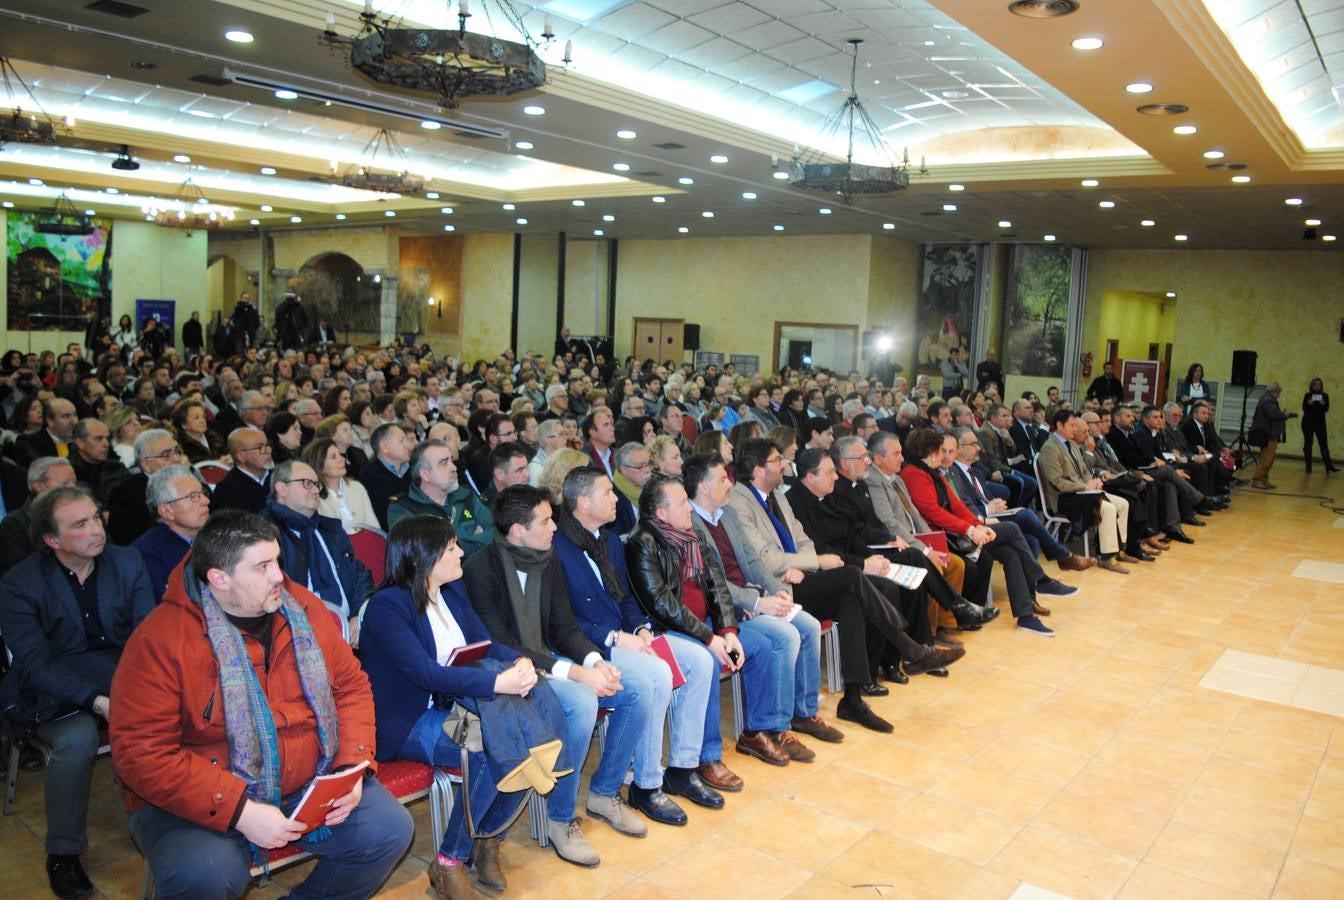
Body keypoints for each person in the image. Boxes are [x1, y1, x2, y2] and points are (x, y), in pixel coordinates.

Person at [110, 510, 413, 900]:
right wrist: (239, 810)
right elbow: (142, 754)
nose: (278, 577)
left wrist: (352, 767)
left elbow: (351, 687)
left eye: (277, 561)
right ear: (219, 578)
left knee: (388, 830)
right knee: (208, 875)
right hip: (199, 794)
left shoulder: (301, 607)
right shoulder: (161, 640)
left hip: (305, 776)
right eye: (263, 567)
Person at [360, 516, 577, 897]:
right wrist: (497, 682)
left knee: (519, 741)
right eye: (451, 548)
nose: (461, 552)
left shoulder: (451, 591)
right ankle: (448, 862)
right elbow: (426, 673)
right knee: (488, 747)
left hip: (463, 703)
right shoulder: (386, 607)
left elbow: (486, 643)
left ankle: (488, 840)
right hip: (411, 718)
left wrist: (518, 662)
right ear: (423, 558)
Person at [463, 485, 660, 862]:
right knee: (582, 702)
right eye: (546, 520)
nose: (555, 527)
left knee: (636, 687)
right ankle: (561, 818)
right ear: (518, 530)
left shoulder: (547, 559)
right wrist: (572, 673)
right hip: (511, 674)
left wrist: (594, 663)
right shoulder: (479, 570)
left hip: (548, 660)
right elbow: (500, 644)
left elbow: (565, 628)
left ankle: (604, 793)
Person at [725, 438, 959, 733]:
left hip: (802, 574)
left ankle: (852, 697)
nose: (784, 464)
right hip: (777, 588)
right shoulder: (739, 502)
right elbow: (762, 558)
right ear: (759, 470)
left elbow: (802, 537)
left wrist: (806, 561)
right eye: (776, 461)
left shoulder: (776, 496)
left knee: (851, 600)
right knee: (850, 576)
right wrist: (814, 561)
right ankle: (909, 647)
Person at [0, 485, 155, 899]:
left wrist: (138, 691)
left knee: (171, 714)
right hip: (50, 688)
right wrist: (99, 701)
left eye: (96, 517)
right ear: (52, 540)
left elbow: (145, 637)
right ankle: (63, 853)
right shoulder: (19, 584)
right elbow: (35, 663)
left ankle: (169, 824)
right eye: (80, 524)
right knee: (77, 741)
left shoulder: (127, 561)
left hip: (119, 674)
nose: (97, 529)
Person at [554, 467, 728, 811]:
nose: (617, 498)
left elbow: (627, 599)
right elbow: (562, 622)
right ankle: (646, 783)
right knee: (658, 673)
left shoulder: (605, 541)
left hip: (625, 635)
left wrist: (640, 629)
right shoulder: (558, 547)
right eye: (608, 493)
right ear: (583, 501)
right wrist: (618, 637)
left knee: (700, 661)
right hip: (591, 646)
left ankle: (683, 766)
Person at [900, 429, 1055, 636]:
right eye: (941, 450)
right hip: (939, 536)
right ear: (931, 452)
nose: (945, 456)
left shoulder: (931, 472)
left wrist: (976, 526)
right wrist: (971, 529)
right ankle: (1040, 580)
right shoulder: (914, 473)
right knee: (1012, 528)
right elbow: (932, 512)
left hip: (954, 532)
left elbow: (955, 505)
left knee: (1010, 552)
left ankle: (1025, 615)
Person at [262, 459, 373, 633]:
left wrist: (357, 616)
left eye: (316, 485)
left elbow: (359, 575)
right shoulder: (265, 537)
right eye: (307, 484)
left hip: (349, 628)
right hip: (300, 633)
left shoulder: (330, 530)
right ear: (282, 488)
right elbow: (273, 592)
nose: (315, 490)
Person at [1032, 414, 1134, 574]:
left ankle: (1120, 549)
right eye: (1072, 425)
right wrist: (1084, 487)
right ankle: (1107, 557)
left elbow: (1085, 471)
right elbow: (1057, 481)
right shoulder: (1049, 448)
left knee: (1123, 503)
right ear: (1059, 425)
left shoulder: (1071, 444)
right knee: (1107, 509)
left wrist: (1094, 482)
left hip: (1081, 492)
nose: (1075, 429)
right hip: (1064, 498)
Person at [386, 439, 494, 556]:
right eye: (444, 463)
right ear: (425, 474)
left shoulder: (465, 495)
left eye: (452, 461)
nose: (454, 468)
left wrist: (454, 546)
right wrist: (474, 541)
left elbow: (495, 532)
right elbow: (423, 555)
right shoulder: (404, 510)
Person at [132, 465, 211, 602]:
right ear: (167, 511)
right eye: (193, 496)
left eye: (202, 492)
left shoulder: (219, 533)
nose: (206, 501)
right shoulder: (145, 555)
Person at [105, 429, 186, 546]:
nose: (177, 459)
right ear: (146, 465)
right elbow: (133, 545)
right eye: (166, 455)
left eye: (177, 452)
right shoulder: (126, 496)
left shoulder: (187, 480)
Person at [0, 456, 77, 575]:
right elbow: (21, 574)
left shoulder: (88, 515)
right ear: (39, 486)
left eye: (74, 483)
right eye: (65, 483)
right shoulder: (13, 525)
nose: (73, 489)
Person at [303, 438, 379, 534]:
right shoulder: (314, 497)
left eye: (340, 454)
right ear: (319, 465)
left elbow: (374, 527)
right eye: (333, 457)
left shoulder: (357, 487)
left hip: (367, 545)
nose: (342, 459)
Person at [358, 423, 412, 530]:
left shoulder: (411, 469)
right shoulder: (370, 475)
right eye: (402, 441)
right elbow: (385, 517)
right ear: (385, 447)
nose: (409, 446)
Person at [211, 427, 273, 514]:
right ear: (241, 456)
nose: (268, 451)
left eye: (267, 445)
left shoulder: (280, 476)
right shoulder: (227, 490)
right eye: (259, 447)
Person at [1249, 382, 1297, 489]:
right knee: (1267, 457)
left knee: (1269, 457)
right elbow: (1273, 414)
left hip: (1267, 432)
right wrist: (1285, 415)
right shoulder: (1269, 400)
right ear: (1275, 392)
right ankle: (1257, 480)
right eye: (1279, 391)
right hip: (1268, 433)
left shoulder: (1266, 399)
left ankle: (1264, 479)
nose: (1280, 394)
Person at [12, 398, 78, 467]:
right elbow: (47, 469)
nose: (74, 422)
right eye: (66, 416)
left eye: (75, 415)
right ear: (50, 421)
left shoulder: (80, 439)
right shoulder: (27, 441)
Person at [1301, 378, 1335, 474]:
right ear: (1312, 385)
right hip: (1307, 423)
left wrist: (1323, 404)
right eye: (1315, 384)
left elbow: (1326, 408)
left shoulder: (1325, 396)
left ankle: (1329, 466)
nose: (1317, 386)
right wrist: (1309, 404)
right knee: (1308, 444)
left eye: (1319, 384)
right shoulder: (1308, 395)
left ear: (1321, 386)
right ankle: (1308, 467)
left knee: (1323, 444)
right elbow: (1304, 409)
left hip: (1320, 423)